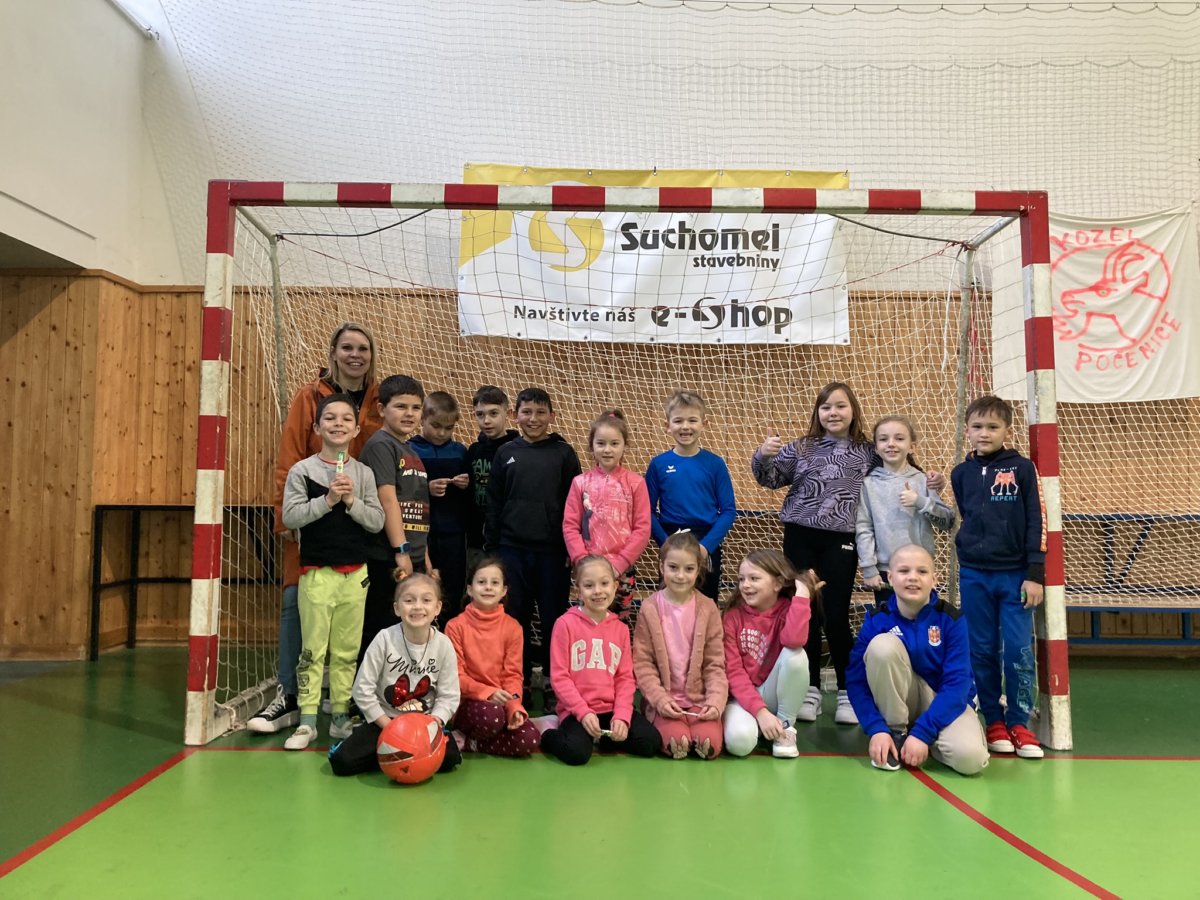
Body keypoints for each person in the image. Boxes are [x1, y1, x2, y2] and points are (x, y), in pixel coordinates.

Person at [250, 322, 382, 734]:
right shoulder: (309, 396)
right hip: (312, 519)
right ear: (333, 352)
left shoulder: (380, 400)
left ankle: (350, 700)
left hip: (361, 520)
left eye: (363, 348)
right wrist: (284, 516)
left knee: (360, 614)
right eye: (347, 347)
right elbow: (288, 456)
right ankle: (290, 695)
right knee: (295, 601)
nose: (355, 355)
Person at [752, 381, 874, 726]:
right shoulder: (801, 447)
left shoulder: (868, 451)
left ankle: (848, 692)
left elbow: (897, 472)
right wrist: (763, 455)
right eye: (826, 407)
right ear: (817, 412)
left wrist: (930, 485)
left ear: (853, 411)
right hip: (800, 536)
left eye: (840, 406)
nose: (833, 413)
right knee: (802, 612)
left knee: (835, 614)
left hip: (842, 539)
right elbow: (769, 479)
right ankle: (809, 689)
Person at [280, 394, 385, 751]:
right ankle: (307, 721)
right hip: (317, 574)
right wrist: (327, 501)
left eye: (346, 419)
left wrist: (352, 501)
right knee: (312, 651)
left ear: (356, 430)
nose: (338, 423)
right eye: (330, 418)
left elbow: (376, 522)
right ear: (317, 427)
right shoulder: (303, 471)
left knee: (345, 652)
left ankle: (340, 716)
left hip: (355, 576)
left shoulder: (364, 474)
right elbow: (290, 516)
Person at [951, 395, 1046, 759]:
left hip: (1016, 577)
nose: (984, 433)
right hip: (974, 575)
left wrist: (1034, 573)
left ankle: (1019, 722)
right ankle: (993, 719)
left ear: (1007, 430)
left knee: (1018, 650)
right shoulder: (961, 474)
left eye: (993, 427)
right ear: (967, 430)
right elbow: (967, 516)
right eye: (977, 427)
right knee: (981, 649)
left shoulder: (1022, 469)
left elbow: (1037, 520)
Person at [846, 545, 989, 775]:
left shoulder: (951, 620)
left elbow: (957, 684)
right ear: (890, 578)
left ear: (934, 579)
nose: (913, 577)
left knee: (970, 760)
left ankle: (922, 737)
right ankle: (895, 733)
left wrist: (923, 733)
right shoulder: (877, 620)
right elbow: (856, 680)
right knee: (882, 647)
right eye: (904, 571)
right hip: (902, 700)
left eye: (922, 571)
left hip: (941, 700)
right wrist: (876, 728)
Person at [483, 387, 581, 708]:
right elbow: (494, 504)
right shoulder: (505, 453)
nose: (533, 418)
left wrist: (571, 548)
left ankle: (555, 683)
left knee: (555, 619)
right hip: (511, 552)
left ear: (552, 415)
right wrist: (494, 551)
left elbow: (575, 505)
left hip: (553, 554)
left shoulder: (564, 453)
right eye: (527, 412)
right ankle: (519, 681)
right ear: (515, 416)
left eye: (541, 412)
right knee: (515, 619)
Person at [329, 574, 462, 776]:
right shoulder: (384, 639)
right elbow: (362, 689)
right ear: (397, 608)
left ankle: (393, 756)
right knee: (342, 762)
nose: (417, 606)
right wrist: (389, 728)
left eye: (426, 600)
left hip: (424, 724)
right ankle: (388, 756)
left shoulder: (444, 645)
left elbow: (449, 696)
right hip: (385, 721)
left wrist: (434, 722)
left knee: (451, 758)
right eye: (409, 600)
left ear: (437, 608)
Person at [540, 556, 661, 765]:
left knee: (650, 742)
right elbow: (559, 678)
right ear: (578, 590)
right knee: (577, 754)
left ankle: (603, 737)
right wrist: (583, 713)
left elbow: (625, 678)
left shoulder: (621, 629)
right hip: (577, 710)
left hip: (611, 709)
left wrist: (622, 716)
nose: (598, 591)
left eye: (604, 583)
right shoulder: (564, 624)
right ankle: (548, 732)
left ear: (615, 586)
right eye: (589, 585)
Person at [632, 531, 727, 759]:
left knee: (708, 745)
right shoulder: (649, 608)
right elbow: (643, 664)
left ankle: (699, 720)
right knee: (678, 743)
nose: (680, 576)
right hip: (665, 703)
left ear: (698, 570)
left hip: (699, 703)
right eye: (673, 567)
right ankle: (665, 719)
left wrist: (714, 702)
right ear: (661, 566)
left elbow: (715, 664)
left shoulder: (708, 608)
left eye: (689, 569)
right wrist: (660, 700)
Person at [357, 375, 432, 666]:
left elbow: (418, 507)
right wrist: (401, 550)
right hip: (387, 555)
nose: (409, 414)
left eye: (416, 407)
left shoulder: (410, 449)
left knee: (404, 630)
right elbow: (387, 498)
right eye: (401, 406)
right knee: (380, 627)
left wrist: (424, 556)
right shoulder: (380, 445)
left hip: (412, 554)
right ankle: (366, 689)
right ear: (381, 408)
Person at [722, 550, 818, 758]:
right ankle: (761, 725)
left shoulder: (787, 610)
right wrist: (760, 712)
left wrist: (802, 595)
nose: (745, 585)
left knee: (796, 656)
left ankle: (784, 726)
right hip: (741, 697)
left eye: (754, 578)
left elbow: (794, 641)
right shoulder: (732, 617)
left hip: (773, 692)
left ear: (777, 584)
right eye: (741, 579)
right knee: (739, 744)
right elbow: (733, 672)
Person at [444, 558, 542, 757]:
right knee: (491, 717)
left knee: (530, 738)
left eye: (495, 583)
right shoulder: (455, 626)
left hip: (501, 702)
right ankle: (465, 731)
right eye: (481, 582)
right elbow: (456, 676)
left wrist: (514, 706)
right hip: (468, 705)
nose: (488, 587)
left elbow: (513, 675)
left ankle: (471, 743)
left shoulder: (513, 627)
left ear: (504, 590)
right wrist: (488, 693)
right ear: (470, 589)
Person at [645, 390, 736, 601]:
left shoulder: (715, 464)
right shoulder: (658, 464)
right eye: (678, 421)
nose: (685, 426)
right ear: (667, 425)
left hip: (706, 540)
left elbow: (728, 511)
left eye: (692, 420)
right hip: (671, 538)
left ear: (704, 424)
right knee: (670, 602)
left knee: (705, 602)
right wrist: (665, 543)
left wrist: (706, 546)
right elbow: (646, 510)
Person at [562, 409, 651, 620]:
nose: (607, 449)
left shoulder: (636, 483)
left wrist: (619, 563)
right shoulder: (580, 482)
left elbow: (642, 529)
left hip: (622, 571)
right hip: (588, 570)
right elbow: (570, 525)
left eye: (614, 443)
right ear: (592, 446)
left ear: (624, 445)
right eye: (601, 443)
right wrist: (582, 560)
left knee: (619, 623)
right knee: (588, 622)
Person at [856, 415, 954, 607]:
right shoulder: (868, 484)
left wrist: (920, 502)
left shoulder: (924, 481)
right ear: (876, 448)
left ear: (912, 446)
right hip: (886, 571)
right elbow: (864, 528)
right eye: (883, 439)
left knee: (922, 620)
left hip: (920, 567)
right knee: (889, 621)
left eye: (899, 438)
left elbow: (947, 521)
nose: (891, 444)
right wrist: (869, 568)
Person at [411, 391, 471, 618]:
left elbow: (472, 496)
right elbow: (402, 490)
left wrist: (467, 483)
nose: (442, 433)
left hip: (453, 531)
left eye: (448, 428)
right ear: (422, 419)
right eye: (436, 426)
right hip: (421, 532)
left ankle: (450, 629)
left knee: (453, 586)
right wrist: (426, 489)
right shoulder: (411, 449)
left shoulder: (459, 451)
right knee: (421, 584)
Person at [465, 385, 518, 571]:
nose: (486, 421)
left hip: (507, 537)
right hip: (476, 538)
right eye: (480, 415)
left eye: (493, 413)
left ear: (508, 413)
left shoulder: (517, 450)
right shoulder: (474, 450)